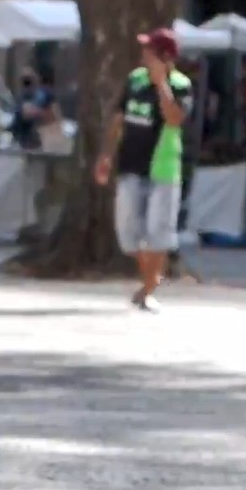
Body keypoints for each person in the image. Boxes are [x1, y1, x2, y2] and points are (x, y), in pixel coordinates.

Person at [95, 27, 193, 312]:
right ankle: (149, 277)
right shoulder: (134, 80)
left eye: (149, 50)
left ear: (165, 57)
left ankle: (149, 287)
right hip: (130, 165)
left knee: (158, 231)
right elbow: (118, 118)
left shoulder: (181, 85)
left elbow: (174, 119)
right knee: (128, 233)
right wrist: (106, 155)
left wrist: (162, 83)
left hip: (163, 167)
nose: (144, 54)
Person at [8, 67, 58, 151]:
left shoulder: (44, 95)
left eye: (30, 80)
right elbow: (24, 113)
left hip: (39, 138)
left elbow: (54, 115)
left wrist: (39, 113)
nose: (28, 84)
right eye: (25, 81)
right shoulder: (22, 98)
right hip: (23, 139)